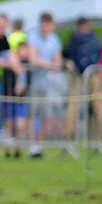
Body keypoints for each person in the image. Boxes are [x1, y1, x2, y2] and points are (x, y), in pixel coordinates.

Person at [25, 12, 66, 157]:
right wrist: (50, 65)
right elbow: (33, 60)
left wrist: (47, 64)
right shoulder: (32, 37)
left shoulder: (54, 39)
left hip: (49, 83)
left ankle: (38, 145)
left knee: (46, 115)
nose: (46, 27)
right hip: (34, 82)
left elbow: (58, 61)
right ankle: (31, 145)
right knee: (32, 114)